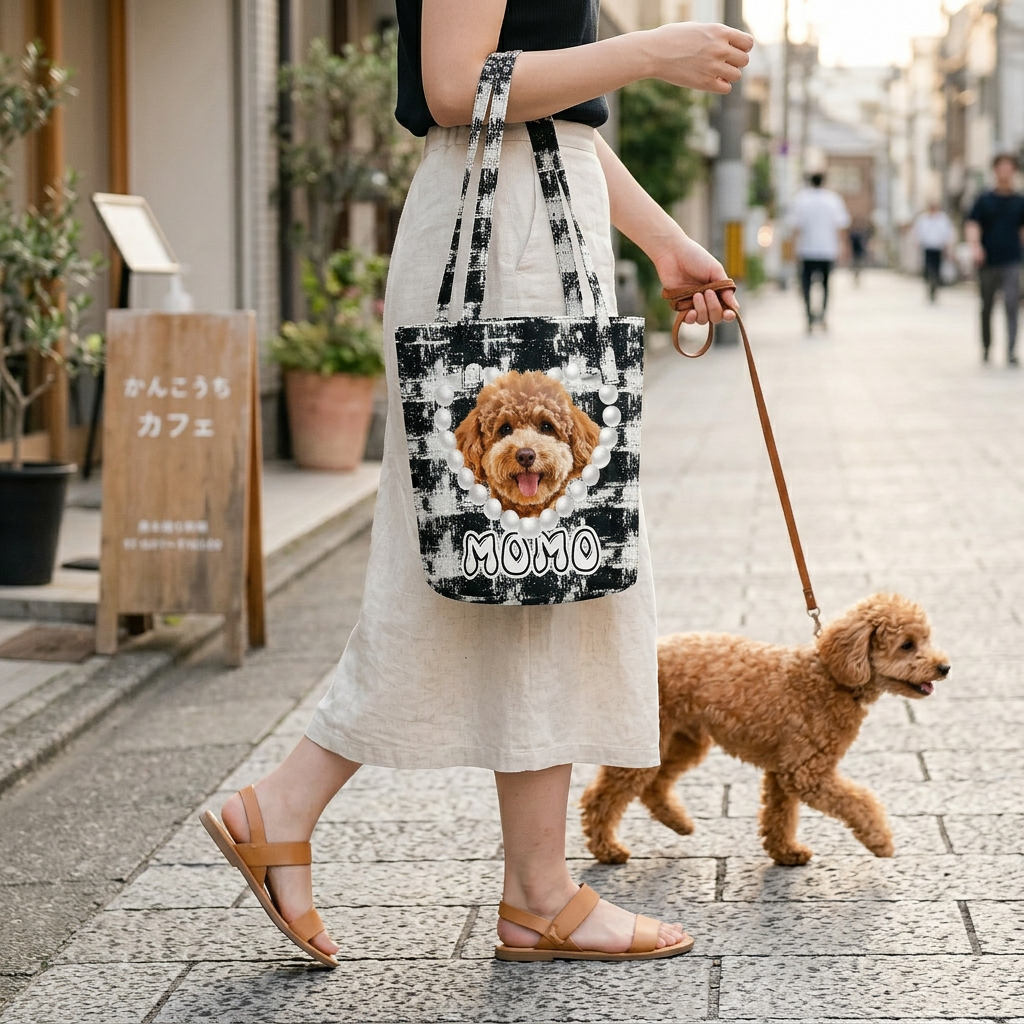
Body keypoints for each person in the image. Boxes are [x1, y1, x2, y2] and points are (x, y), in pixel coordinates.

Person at [201, 3, 752, 966]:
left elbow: (553, 115)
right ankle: (518, 886)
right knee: (523, 553)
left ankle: (499, 878)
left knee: (536, 567)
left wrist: (663, 238)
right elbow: (460, 86)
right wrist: (653, 52)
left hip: (533, 219)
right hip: (502, 240)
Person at [966, 153, 1024, 365]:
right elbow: (973, 224)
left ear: (1014, 171)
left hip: (1012, 260)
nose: (1005, 171)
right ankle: (986, 347)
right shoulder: (984, 200)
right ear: (995, 170)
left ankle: (1011, 351)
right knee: (987, 305)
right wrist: (976, 246)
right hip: (988, 260)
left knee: (1011, 304)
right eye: (1001, 167)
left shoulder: (1020, 201)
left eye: (1009, 167)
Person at [787, 172, 851, 332]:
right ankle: (822, 316)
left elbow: (795, 228)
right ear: (824, 181)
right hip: (827, 249)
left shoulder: (800, 199)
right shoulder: (833, 199)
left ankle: (809, 316)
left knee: (806, 285)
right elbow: (841, 226)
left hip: (806, 249)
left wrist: (792, 250)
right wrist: (844, 246)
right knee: (826, 285)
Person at [913, 201, 956, 303]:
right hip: (927, 247)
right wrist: (918, 244)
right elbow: (918, 233)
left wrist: (948, 246)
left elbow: (948, 233)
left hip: (938, 248)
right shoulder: (923, 219)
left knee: (937, 269)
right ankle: (930, 285)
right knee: (928, 268)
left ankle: (935, 287)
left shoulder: (943, 219)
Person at [848, 216, 872, 286]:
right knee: (854, 267)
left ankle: (858, 278)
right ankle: (855, 277)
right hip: (854, 252)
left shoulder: (862, 233)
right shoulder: (852, 233)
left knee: (859, 267)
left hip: (860, 253)